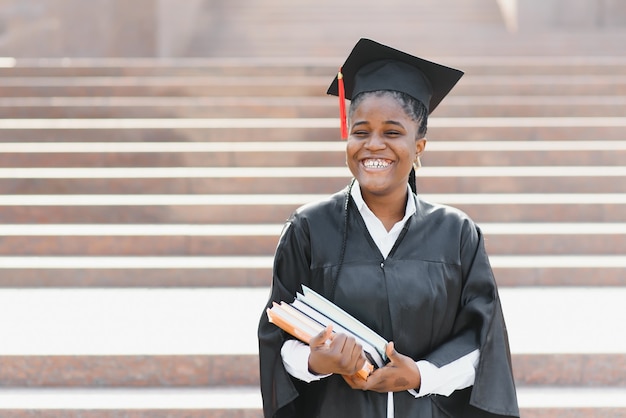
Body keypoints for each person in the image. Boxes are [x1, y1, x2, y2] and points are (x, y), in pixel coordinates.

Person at [257, 38, 520, 418]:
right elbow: (278, 337)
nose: (373, 145)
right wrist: (317, 361)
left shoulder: (457, 234)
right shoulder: (309, 229)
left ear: (420, 146)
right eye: (361, 131)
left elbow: (484, 340)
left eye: (393, 132)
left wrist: (420, 375)